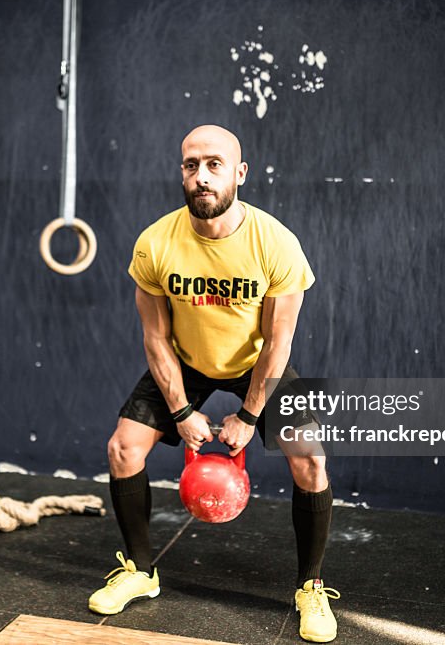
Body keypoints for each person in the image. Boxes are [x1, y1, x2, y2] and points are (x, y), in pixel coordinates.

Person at [87, 124, 339, 642]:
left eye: (214, 164)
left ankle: (310, 586)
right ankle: (140, 571)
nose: (201, 177)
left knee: (311, 459)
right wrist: (181, 411)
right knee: (122, 448)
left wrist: (249, 416)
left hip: (254, 364)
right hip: (186, 361)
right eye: (190, 165)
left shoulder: (277, 244)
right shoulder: (155, 243)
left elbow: (278, 344)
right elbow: (156, 339)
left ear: (240, 173)